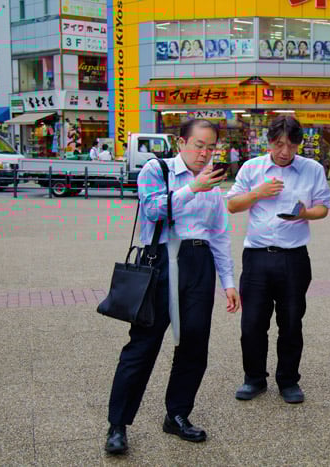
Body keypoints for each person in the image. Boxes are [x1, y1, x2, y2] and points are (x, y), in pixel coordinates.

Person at [105, 119, 241, 454]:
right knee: (142, 347)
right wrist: (192, 188)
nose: (205, 153)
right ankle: (117, 424)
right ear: (181, 142)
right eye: (198, 145)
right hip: (161, 263)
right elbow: (151, 210)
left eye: (211, 147)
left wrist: (228, 282)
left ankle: (177, 414)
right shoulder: (157, 169)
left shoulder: (213, 182)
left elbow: (219, 234)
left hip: (199, 265)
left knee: (194, 346)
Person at [226, 116, 330, 405]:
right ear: (269, 141)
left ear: (299, 143)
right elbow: (232, 205)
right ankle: (254, 379)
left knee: (291, 323)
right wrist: (257, 193)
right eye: (278, 144)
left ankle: (288, 380)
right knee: (252, 323)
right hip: (258, 257)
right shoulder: (252, 168)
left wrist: (306, 214)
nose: (285, 151)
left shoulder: (312, 170)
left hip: (294, 258)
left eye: (292, 144)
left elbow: (324, 207)